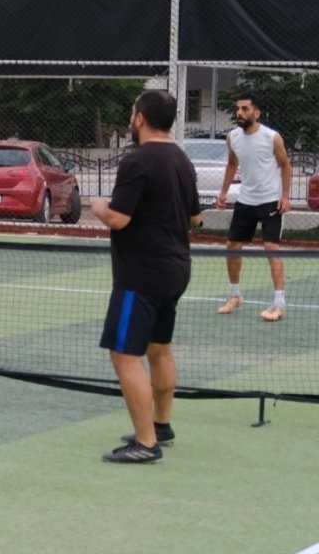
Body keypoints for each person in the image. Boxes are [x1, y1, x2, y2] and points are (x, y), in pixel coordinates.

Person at [91, 90, 201, 464]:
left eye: (131, 110)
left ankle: (146, 443)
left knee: (124, 355)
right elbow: (195, 219)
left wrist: (98, 206)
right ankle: (162, 424)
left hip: (142, 274)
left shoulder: (137, 161)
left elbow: (119, 218)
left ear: (139, 118)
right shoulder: (182, 160)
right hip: (176, 270)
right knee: (159, 349)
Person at [215, 93, 292, 323]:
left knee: (271, 248)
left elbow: (286, 166)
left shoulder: (272, 137)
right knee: (232, 246)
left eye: (245, 109)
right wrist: (223, 192)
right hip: (246, 201)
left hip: (270, 201)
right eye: (238, 109)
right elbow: (232, 164)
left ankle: (279, 304)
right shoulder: (233, 137)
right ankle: (235, 295)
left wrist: (285, 196)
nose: (240, 113)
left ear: (256, 113)